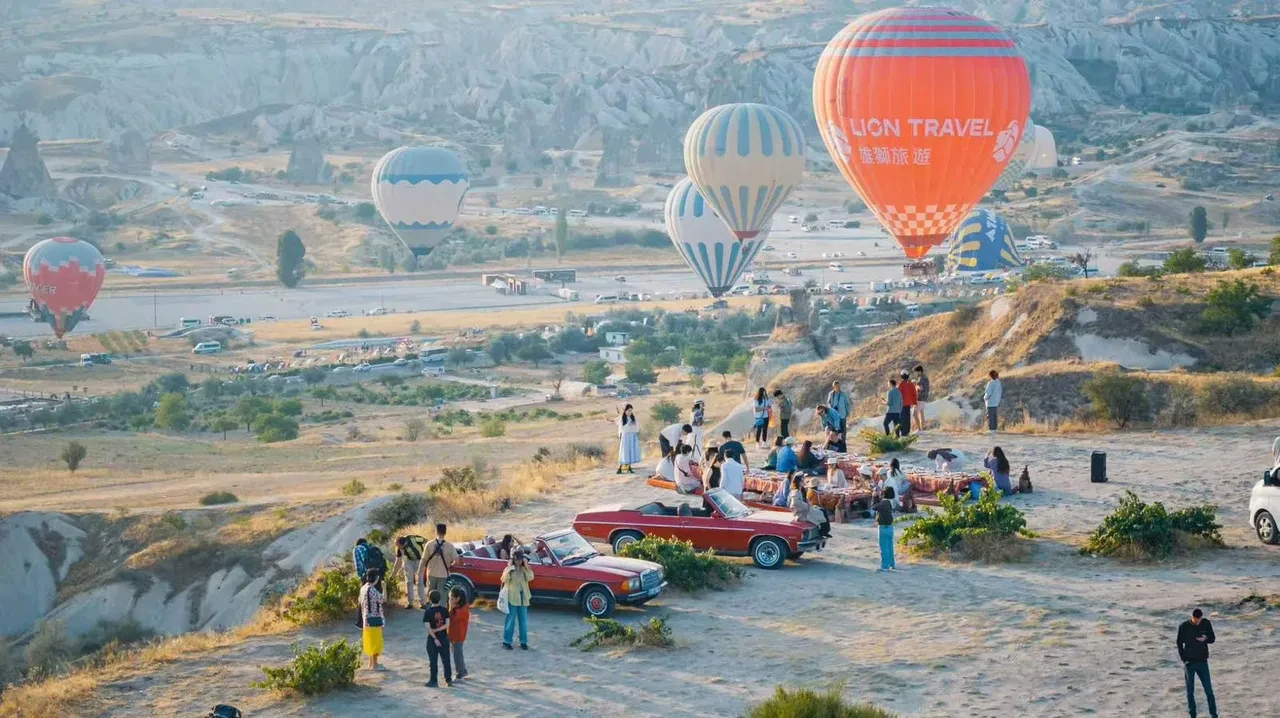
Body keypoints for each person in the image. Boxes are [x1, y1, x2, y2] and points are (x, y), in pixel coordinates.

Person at [1177, 608, 1217, 718]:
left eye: (1199, 620)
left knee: (1209, 691)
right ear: (1192, 617)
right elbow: (1179, 644)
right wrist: (1184, 660)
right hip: (1189, 663)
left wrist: (1205, 639)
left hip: (1203, 662)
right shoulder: (1183, 627)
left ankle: (1214, 715)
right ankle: (1192, 715)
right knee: (1190, 692)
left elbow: (1212, 639)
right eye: (1196, 620)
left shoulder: (1206, 623)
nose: (1198, 622)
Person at [501, 549, 535, 650]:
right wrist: (510, 567)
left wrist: (526, 567)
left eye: (520, 560)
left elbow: (530, 577)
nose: (518, 562)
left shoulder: (525, 569)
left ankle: (523, 642)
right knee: (510, 620)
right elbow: (504, 579)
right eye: (516, 560)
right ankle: (506, 641)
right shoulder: (509, 569)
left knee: (523, 621)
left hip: (523, 598)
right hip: (512, 598)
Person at [422, 589, 452, 687]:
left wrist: (434, 636)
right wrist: (439, 629)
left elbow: (428, 628)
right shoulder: (444, 610)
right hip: (444, 638)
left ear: (430, 600)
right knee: (446, 660)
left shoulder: (428, 612)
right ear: (440, 599)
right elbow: (447, 624)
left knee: (433, 661)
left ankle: (434, 681)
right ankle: (448, 679)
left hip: (432, 640)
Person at [423, 524, 458, 604]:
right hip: (443, 574)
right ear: (445, 533)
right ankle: (441, 614)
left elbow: (423, 559)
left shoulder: (429, 544)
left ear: (436, 532)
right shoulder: (450, 546)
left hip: (431, 573)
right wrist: (450, 565)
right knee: (442, 596)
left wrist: (419, 571)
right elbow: (456, 559)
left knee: (431, 595)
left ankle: (431, 611)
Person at [358, 568, 384, 671]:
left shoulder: (363, 588)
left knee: (370, 641)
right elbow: (382, 599)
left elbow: (360, 601)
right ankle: (374, 665)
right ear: (376, 578)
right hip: (374, 618)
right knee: (375, 641)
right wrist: (384, 588)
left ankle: (372, 663)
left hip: (366, 619)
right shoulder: (373, 590)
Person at [392, 533, 427, 609]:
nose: (397, 547)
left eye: (398, 545)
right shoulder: (399, 549)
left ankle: (422, 603)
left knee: (420, 581)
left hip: (419, 560)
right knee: (409, 582)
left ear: (403, 544)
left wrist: (425, 555)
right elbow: (398, 562)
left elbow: (426, 541)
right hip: (409, 561)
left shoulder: (413, 539)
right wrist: (393, 575)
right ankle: (410, 602)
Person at [447, 587, 470, 681]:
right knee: (457, 653)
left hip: (459, 635)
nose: (450, 600)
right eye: (449, 598)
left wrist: (451, 608)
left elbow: (452, 619)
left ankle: (460, 674)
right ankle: (463, 670)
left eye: (452, 599)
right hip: (452, 634)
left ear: (458, 599)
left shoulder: (464, 609)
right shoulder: (456, 607)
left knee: (457, 655)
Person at [875, 487, 897, 571]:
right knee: (890, 547)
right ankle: (891, 564)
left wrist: (875, 497)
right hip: (890, 526)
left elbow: (874, 507)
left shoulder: (884, 503)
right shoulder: (891, 502)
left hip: (883, 526)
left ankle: (884, 566)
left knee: (883, 548)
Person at [616, 404, 641, 474]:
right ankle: (620, 468)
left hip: (632, 436)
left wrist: (634, 425)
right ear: (625, 411)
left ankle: (629, 468)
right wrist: (628, 425)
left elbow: (637, 426)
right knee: (624, 452)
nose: (630, 412)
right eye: (629, 411)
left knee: (630, 451)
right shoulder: (622, 418)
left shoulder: (632, 418)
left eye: (631, 411)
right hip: (625, 437)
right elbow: (621, 428)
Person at [898, 370, 917, 436]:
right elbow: (914, 394)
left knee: (902, 418)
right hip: (908, 404)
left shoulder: (901, 384)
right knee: (907, 418)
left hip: (902, 404)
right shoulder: (911, 384)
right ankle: (907, 432)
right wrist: (914, 403)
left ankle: (903, 432)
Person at [913, 365, 930, 431]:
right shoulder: (925, 377)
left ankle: (919, 429)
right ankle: (922, 428)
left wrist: (915, 385)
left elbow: (921, 388)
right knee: (921, 413)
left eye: (916, 372)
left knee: (914, 414)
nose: (915, 373)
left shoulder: (921, 379)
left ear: (919, 371)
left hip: (920, 398)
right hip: (924, 398)